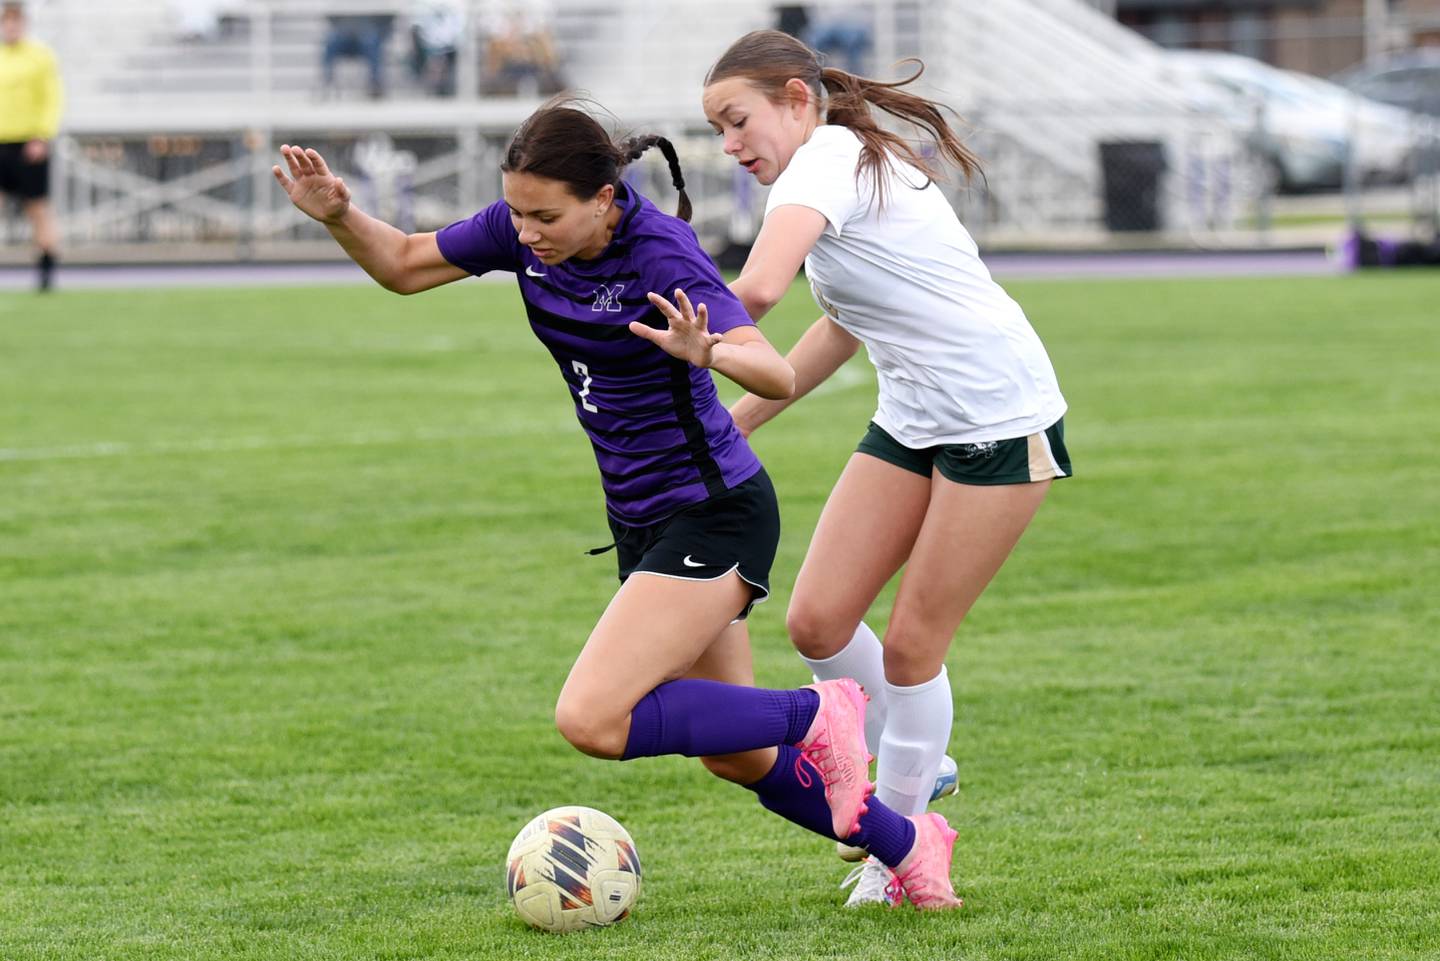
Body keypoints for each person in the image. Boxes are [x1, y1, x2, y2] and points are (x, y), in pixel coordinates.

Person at [271, 100, 962, 909]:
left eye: (546, 215)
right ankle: (908, 846)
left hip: (715, 512)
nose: (527, 232)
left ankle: (819, 710)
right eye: (518, 212)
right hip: (642, 520)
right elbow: (403, 265)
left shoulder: (659, 252)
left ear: (604, 197)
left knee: (593, 717)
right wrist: (342, 215)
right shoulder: (520, 229)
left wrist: (709, 351)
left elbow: (774, 374)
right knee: (735, 753)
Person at [703, 30, 1071, 906]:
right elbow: (840, 324)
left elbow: (753, 294)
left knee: (911, 648)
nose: (728, 144)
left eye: (736, 120)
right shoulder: (826, 170)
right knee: (819, 620)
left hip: (998, 419)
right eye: (717, 129)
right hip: (914, 418)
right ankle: (925, 757)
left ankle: (898, 846)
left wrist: (672, 325)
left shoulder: (825, 160)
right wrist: (737, 424)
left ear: (798, 99)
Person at [0, 0, 63, 292]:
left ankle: (46, 266)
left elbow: (51, 98)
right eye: (5, 21)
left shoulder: (39, 57)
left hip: (28, 142)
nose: (10, 27)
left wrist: (41, 135)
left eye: (15, 21)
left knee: (37, 207)